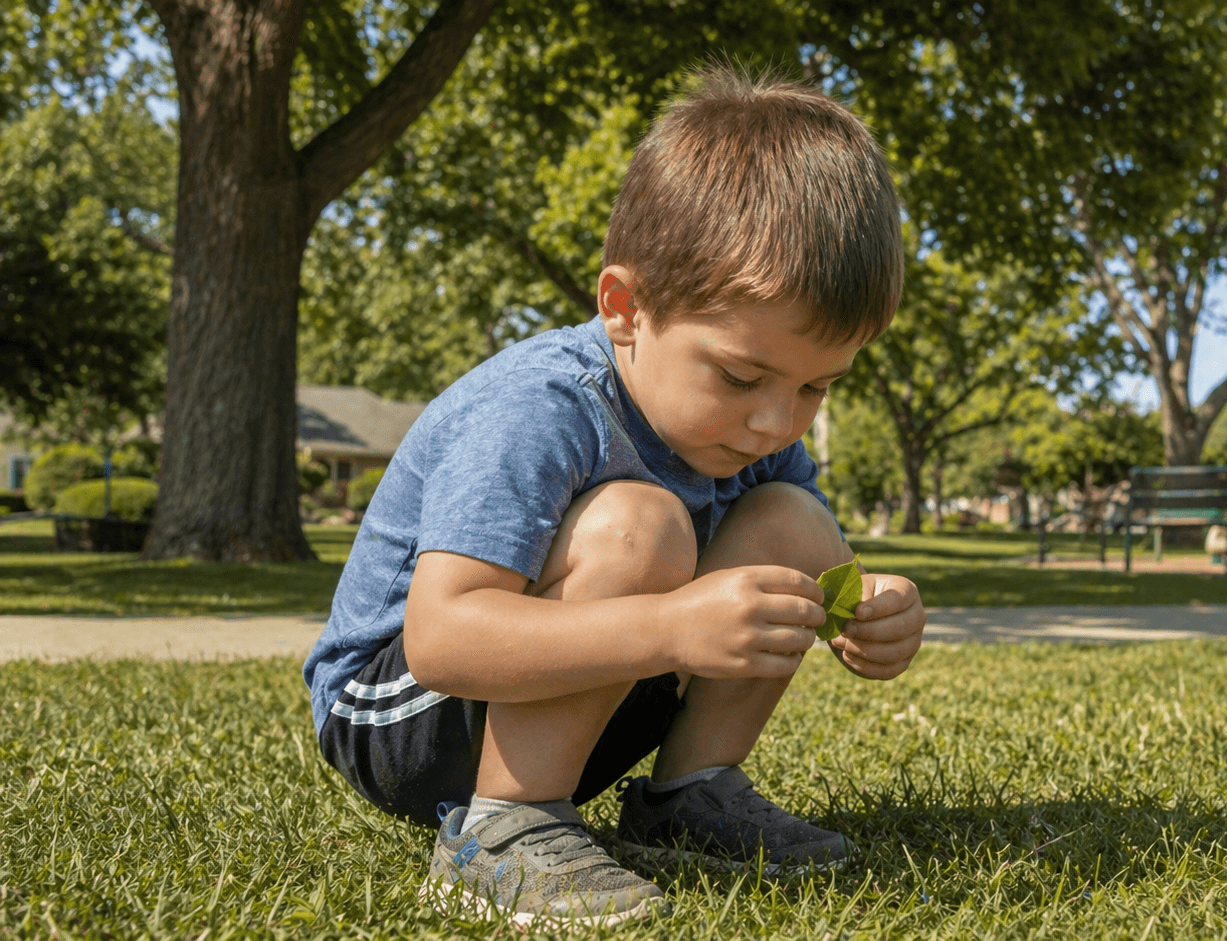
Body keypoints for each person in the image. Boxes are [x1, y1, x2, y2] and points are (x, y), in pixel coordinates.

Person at [302, 66, 926, 929]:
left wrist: (871, 609)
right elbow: (442, 638)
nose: (776, 421)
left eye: (818, 387)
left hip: (581, 691)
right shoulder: (543, 404)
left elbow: (811, 556)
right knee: (641, 524)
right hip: (401, 713)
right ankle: (501, 831)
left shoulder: (755, 432)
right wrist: (673, 626)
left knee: (794, 520)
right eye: (742, 375)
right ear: (626, 307)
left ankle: (689, 795)